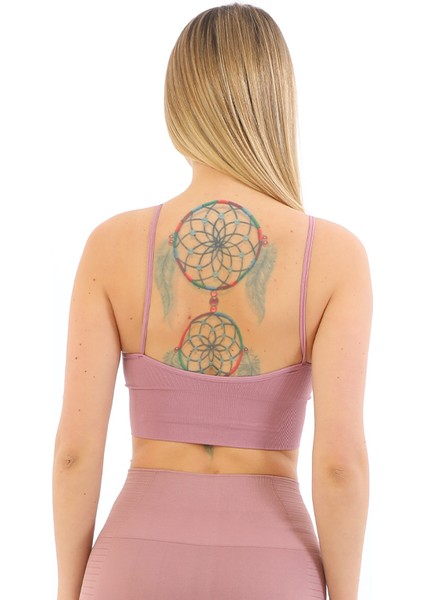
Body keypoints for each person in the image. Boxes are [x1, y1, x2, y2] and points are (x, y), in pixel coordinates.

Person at [52, 4, 372, 599]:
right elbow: (340, 465)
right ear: (278, 104)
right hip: (274, 569)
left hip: (132, 564)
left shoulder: (111, 245)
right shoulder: (335, 255)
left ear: (177, 105)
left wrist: (70, 591)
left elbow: (75, 453)